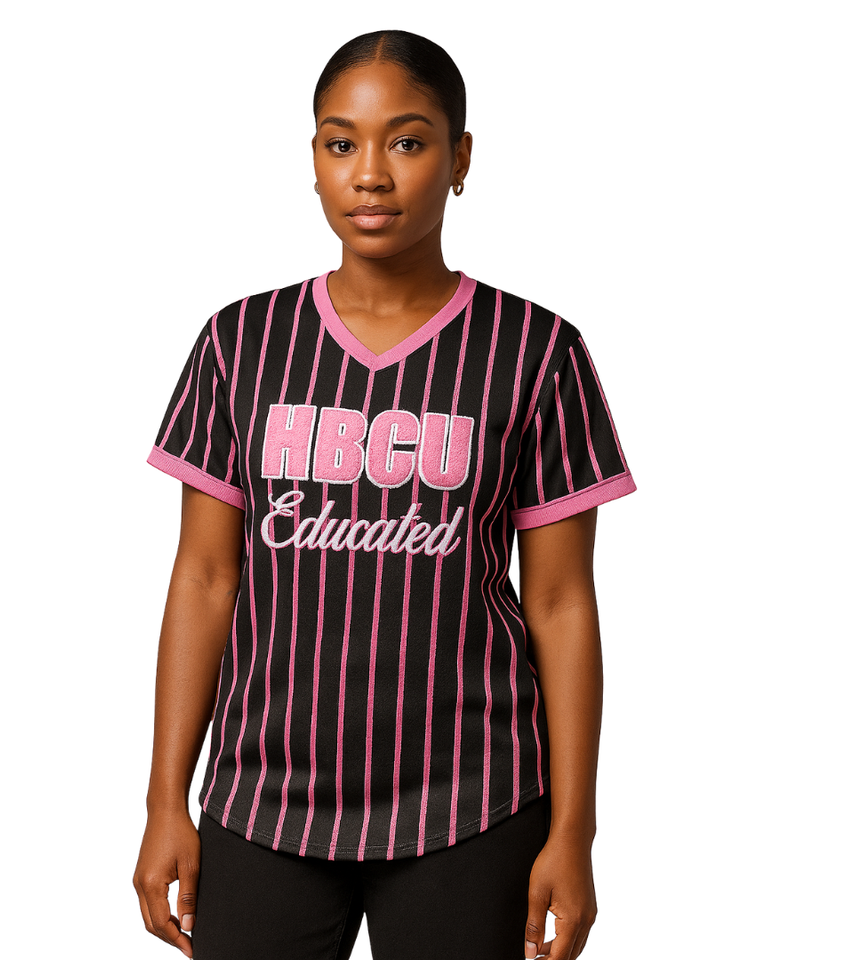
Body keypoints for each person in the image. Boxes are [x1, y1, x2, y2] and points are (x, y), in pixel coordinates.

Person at [132, 28, 637, 960]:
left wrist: (575, 830)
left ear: (461, 159)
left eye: (407, 141)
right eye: (342, 143)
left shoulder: (536, 352)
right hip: (263, 799)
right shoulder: (241, 343)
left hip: (473, 804)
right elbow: (205, 578)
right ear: (314, 160)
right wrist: (167, 799)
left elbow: (562, 602)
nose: (370, 173)